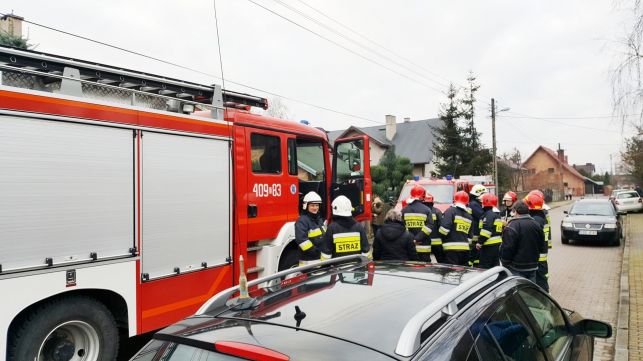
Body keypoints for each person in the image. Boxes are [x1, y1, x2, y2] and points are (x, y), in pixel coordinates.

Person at [500, 200, 545, 283]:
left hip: (516, 267)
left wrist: (505, 262)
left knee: (517, 291)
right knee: (530, 290)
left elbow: (508, 248)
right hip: (533, 265)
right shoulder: (536, 224)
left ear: (516, 211)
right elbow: (542, 245)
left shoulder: (511, 226)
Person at [320, 195, 370, 260]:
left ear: (335, 209)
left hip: (338, 268)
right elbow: (366, 252)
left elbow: (326, 256)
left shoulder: (332, 228)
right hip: (357, 268)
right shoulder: (359, 227)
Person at [439, 191, 473, 266]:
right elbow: (470, 236)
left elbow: (444, 229)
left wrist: (442, 238)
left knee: (452, 274)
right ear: (467, 202)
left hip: (451, 250)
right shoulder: (469, 216)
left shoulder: (450, 211)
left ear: (454, 200)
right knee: (463, 273)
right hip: (465, 249)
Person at [525, 192, 550, 292]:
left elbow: (533, 239)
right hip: (542, 252)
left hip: (537, 253)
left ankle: (544, 297)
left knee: (539, 277)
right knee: (542, 275)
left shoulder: (535, 220)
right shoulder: (541, 217)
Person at [401, 185, 434, 262]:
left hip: (409, 246)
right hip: (424, 247)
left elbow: (402, 227)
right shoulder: (427, 210)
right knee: (424, 270)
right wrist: (417, 239)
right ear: (423, 196)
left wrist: (411, 240)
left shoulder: (404, 210)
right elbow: (429, 226)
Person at [294, 192, 326, 266]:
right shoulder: (302, 221)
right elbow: (302, 241)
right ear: (306, 206)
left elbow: (324, 235)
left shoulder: (319, 219)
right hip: (309, 263)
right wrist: (318, 252)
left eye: (317, 205)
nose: (315, 208)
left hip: (320, 261)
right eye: (312, 205)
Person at [476, 193, 503, 269]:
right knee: (495, 268)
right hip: (496, 246)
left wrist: (479, 242)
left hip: (488, 246)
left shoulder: (488, 215)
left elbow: (486, 231)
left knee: (484, 268)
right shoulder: (497, 215)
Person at [468, 184, 488, 267]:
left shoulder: (474, 204)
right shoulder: (474, 204)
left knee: (477, 256)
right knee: (473, 254)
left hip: (475, 233)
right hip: (475, 234)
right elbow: (482, 216)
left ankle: (476, 267)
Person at [423, 193, 444, 263]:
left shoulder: (422, 212)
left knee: (425, 262)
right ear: (432, 202)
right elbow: (442, 226)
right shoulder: (437, 212)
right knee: (441, 262)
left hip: (425, 242)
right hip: (437, 243)